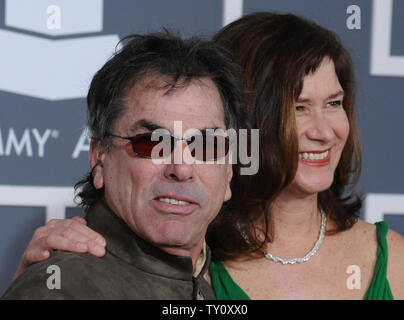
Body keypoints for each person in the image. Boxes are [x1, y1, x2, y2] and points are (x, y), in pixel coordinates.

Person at [12, 13, 404, 300]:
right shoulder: (187, 247)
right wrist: (48, 278)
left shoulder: (391, 255)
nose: (324, 131)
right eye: (298, 108)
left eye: (335, 103)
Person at [2, 30, 245, 299]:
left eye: (206, 146)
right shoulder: (58, 289)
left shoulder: (226, 286)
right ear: (99, 157)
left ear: (228, 171)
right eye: (153, 143)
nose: (182, 168)